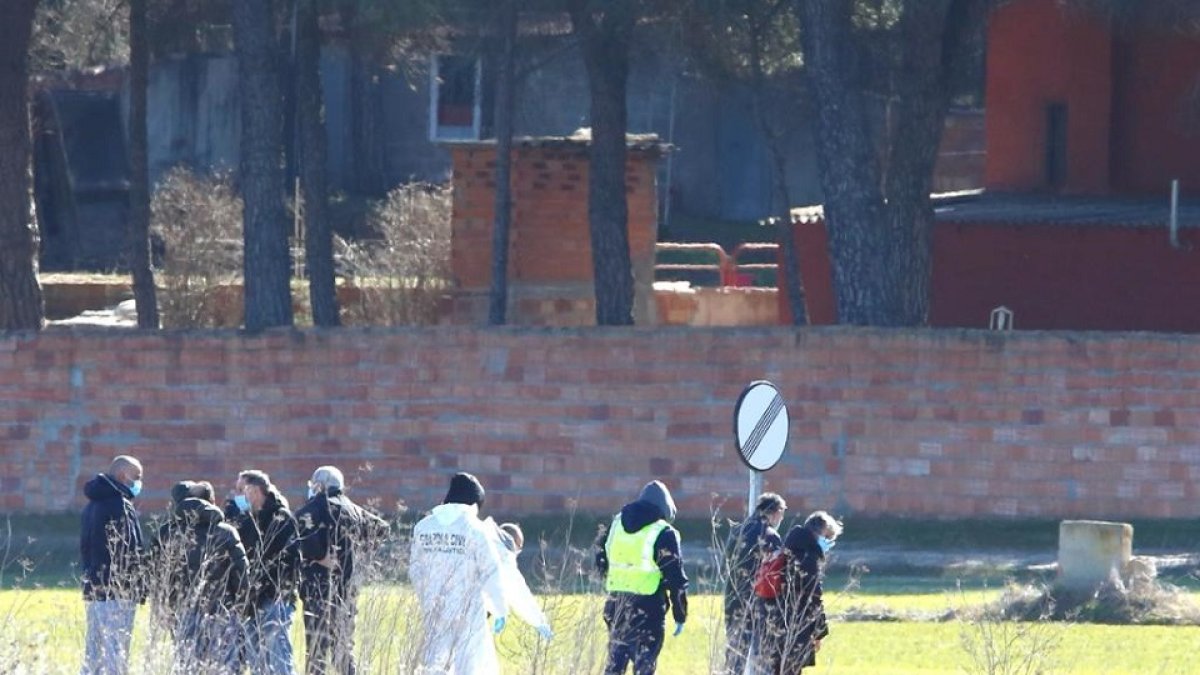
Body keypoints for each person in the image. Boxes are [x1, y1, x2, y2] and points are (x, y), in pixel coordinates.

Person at [409, 472, 509, 674]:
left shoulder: (423, 528)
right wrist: (500, 608)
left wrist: (428, 597)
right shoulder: (476, 530)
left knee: (435, 665)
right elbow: (492, 573)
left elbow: (415, 571)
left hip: (435, 610)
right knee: (470, 667)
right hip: (468, 613)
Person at [295, 465, 389, 675]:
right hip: (346, 589)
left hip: (316, 589)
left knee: (317, 650)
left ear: (317, 485)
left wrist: (321, 557)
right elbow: (382, 528)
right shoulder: (353, 509)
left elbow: (306, 541)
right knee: (343, 649)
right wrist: (361, 551)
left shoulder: (310, 509)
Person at [596, 480, 689, 675]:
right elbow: (676, 579)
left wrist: (615, 579)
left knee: (614, 668)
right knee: (644, 668)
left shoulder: (616, 523)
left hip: (616, 607)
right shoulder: (663, 532)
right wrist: (680, 615)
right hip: (648, 611)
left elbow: (600, 556)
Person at [226, 469, 300, 675]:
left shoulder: (281, 518)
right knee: (257, 660)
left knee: (277, 658)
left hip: (273, 598)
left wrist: (274, 592)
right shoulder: (248, 518)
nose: (236, 495)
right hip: (251, 600)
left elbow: (286, 561)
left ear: (256, 491)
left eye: (241, 490)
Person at [170, 487, 249, 673]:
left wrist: (169, 605)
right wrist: (240, 600)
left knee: (187, 664)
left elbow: (165, 575)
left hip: (185, 609)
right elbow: (242, 571)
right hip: (221, 607)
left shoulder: (174, 533)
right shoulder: (226, 532)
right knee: (225, 663)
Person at [80, 455, 145, 675]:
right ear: (122, 475)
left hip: (94, 587)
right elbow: (130, 550)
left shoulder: (92, 505)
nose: (138, 483)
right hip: (118, 590)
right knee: (116, 653)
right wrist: (137, 586)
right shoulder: (119, 505)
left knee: (94, 652)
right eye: (136, 477)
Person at [762, 511, 842, 675]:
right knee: (791, 668)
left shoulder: (789, 548)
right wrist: (819, 633)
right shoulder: (807, 556)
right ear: (820, 532)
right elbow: (813, 596)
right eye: (828, 538)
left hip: (775, 618)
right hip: (796, 622)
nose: (828, 544)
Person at [723, 492, 786, 675]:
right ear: (775, 512)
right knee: (762, 653)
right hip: (759, 600)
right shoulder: (770, 535)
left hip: (733, 595)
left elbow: (728, 559)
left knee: (735, 652)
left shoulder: (737, 530)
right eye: (782, 513)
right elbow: (776, 572)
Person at [488, 521, 553, 640]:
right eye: (519, 545)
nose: (518, 550)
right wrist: (539, 621)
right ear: (511, 541)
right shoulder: (504, 559)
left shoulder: (483, 546)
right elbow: (519, 594)